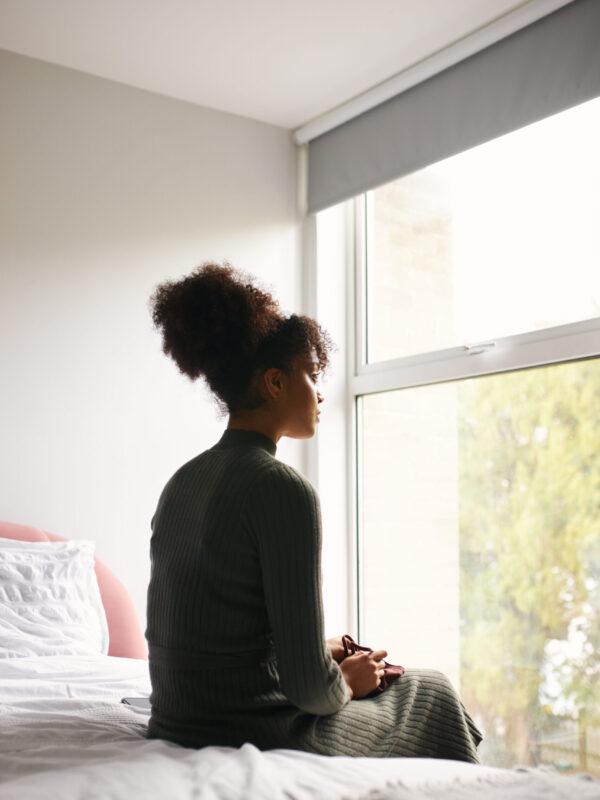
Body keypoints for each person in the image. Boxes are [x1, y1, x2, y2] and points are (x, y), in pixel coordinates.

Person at [145, 262, 482, 761]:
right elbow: (312, 693)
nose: (321, 392)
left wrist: (321, 650)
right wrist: (345, 681)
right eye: (313, 374)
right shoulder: (283, 490)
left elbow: (214, 637)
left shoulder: (181, 481)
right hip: (251, 728)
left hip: (178, 719)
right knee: (430, 690)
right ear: (275, 382)